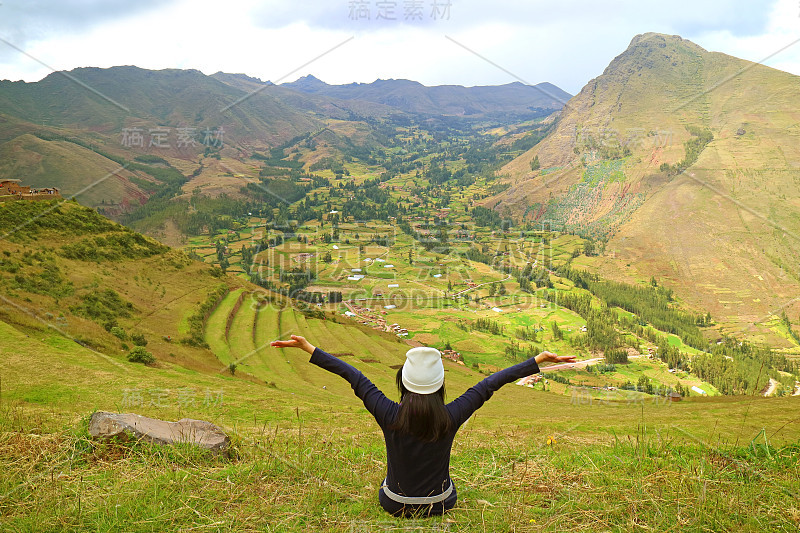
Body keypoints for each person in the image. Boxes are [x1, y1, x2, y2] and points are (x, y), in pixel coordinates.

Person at [270, 335, 576, 517]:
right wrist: (536, 360)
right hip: (440, 503)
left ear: (403, 382)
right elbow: (490, 384)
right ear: (441, 385)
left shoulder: (388, 413)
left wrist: (310, 348)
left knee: (388, 485)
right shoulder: (451, 415)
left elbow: (353, 376)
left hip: (394, 503)